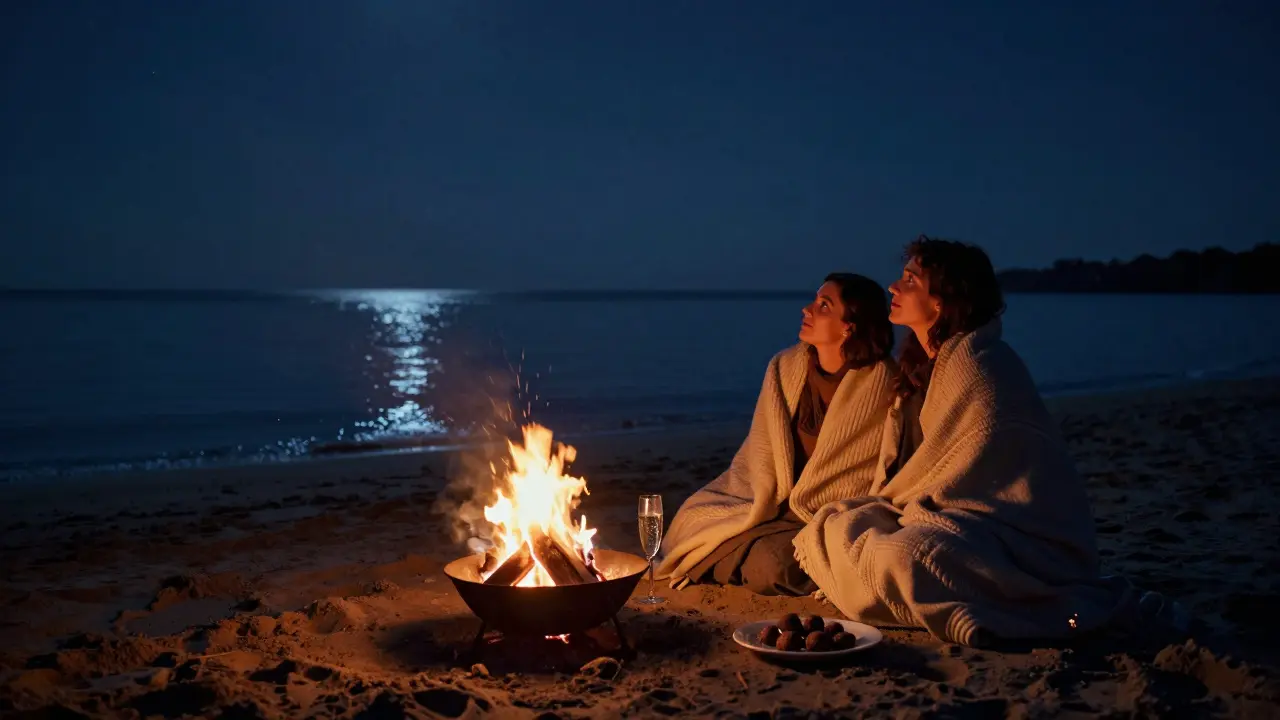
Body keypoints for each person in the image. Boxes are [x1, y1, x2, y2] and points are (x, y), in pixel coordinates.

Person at [793, 236, 1135, 646]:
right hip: (938, 512)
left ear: (941, 301)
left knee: (906, 556)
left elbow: (972, 469)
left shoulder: (980, 364)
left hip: (1009, 529)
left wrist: (916, 509)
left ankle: (966, 614)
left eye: (910, 280)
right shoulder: (920, 366)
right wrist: (903, 505)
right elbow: (913, 470)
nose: (893, 287)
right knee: (836, 523)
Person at [658, 273, 896, 595]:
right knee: (692, 515)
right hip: (772, 501)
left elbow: (875, 471)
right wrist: (767, 498)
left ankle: (721, 560)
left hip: (824, 516)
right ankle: (732, 555)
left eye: (824, 306)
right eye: (814, 301)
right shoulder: (785, 367)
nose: (807, 310)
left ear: (848, 326)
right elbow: (761, 449)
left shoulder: (884, 384)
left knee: (775, 564)